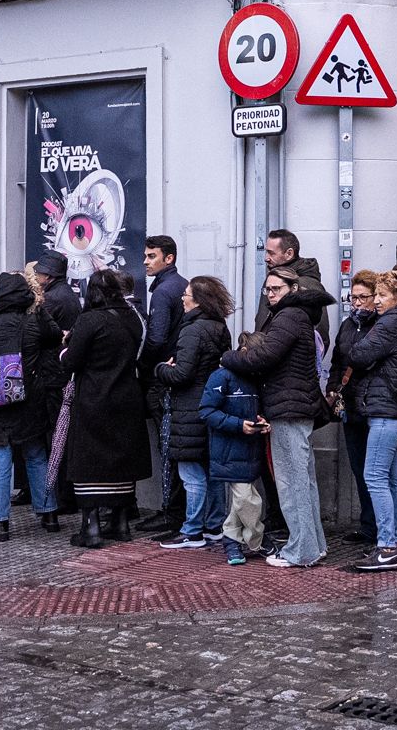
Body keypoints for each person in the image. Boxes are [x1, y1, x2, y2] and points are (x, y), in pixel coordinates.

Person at [222, 263, 335, 567]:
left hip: (288, 408)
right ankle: (314, 545)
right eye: (267, 289)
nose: (270, 294)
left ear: (293, 289)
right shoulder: (298, 315)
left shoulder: (288, 316)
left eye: (276, 289)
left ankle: (301, 551)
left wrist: (227, 357)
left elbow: (264, 356)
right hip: (296, 407)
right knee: (303, 482)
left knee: (292, 483)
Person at [60, 268, 153, 547]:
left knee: (89, 460)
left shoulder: (90, 320)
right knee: (122, 460)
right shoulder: (134, 318)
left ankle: (91, 528)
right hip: (129, 396)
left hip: (94, 398)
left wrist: (63, 349)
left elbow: (71, 362)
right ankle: (120, 523)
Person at [345, 268, 397, 573]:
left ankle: (387, 547)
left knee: (375, 476)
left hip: (387, 408)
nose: (377, 301)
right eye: (376, 295)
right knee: (395, 478)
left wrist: (362, 339)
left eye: (382, 295)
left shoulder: (392, 322)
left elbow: (358, 354)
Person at [0, 271, 63, 540]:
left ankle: (1, 523)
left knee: (0, 458)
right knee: (36, 456)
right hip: (31, 399)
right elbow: (55, 336)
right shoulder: (33, 321)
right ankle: (49, 513)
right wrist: (39, 306)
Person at [153, 275, 232, 549]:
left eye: (186, 294)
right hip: (212, 404)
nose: (182, 298)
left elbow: (182, 374)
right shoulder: (220, 327)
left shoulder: (191, 330)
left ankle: (192, 531)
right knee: (211, 471)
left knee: (191, 473)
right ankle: (214, 527)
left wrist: (162, 369)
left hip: (189, 407)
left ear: (198, 300)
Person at [136, 235, 189, 535]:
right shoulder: (181, 285)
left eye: (151, 256)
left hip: (163, 379)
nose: (145, 261)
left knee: (168, 446)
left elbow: (156, 338)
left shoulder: (163, 291)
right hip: (178, 374)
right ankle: (178, 511)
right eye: (145, 256)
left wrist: (144, 366)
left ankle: (172, 512)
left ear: (169, 258)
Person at [327, 271, 382, 547]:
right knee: (359, 468)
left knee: (378, 472)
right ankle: (368, 525)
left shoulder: (382, 324)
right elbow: (338, 360)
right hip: (351, 405)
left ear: (375, 297)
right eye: (353, 297)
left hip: (374, 404)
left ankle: (384, 528)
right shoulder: (348, 325)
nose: (357, 303)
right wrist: (333, 387)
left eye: (363, 297)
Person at [200, 350, 267, 565]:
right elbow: (207, 411)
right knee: (247, 498)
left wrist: (261, 421)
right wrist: (238, 425)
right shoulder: (221, 376)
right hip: (229, 451)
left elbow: (257, 409)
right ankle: (257, 541)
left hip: (250, 449)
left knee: (241, 501)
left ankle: (231, 541)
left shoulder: (255, 377)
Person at [254, 229, 325, 331]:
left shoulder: (308, 286)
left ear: (289, 254)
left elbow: (319, 331)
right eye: (266, 252)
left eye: (271, 253)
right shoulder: (273, 278)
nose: (266, 258)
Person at [34, 250, 83, 342]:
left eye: (37, 272)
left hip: (57, 347)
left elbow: (37, 328)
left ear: (47, 275)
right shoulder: (65, 291)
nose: (35, 276)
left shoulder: (51, 298)